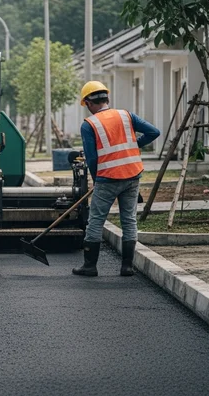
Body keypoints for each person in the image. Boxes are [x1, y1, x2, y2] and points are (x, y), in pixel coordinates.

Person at [73, 81, 160, 277]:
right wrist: (135, 145)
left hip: (108, 178)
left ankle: (90, 266)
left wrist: (96, 179)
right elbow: (154, 132)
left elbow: (92, 158)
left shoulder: (90, 124)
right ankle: (127, 266)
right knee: (129, 220)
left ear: (88, 103)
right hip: (132, 174)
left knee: (96, 221)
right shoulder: (126, 115)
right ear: (107, 98)